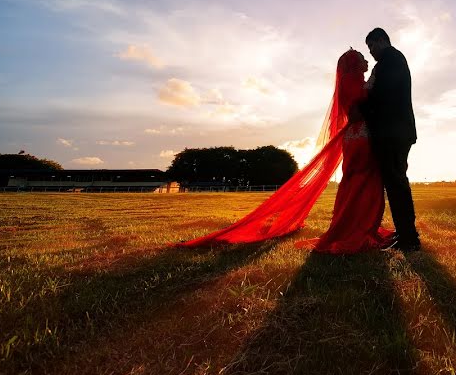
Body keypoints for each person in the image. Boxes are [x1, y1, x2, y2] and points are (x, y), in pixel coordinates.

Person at [176, 49, 393, 253]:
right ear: (354, 64)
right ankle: (358, 230)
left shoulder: (349, 81)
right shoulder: (354, 81)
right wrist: (375, 77)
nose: (366, 61)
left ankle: (356, 226)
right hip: (361, 137)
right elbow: (364, 100)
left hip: (354, 138)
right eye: (362, 59)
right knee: (364, 182)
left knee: (356, 182)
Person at [358, 27, 420, 252]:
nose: (371, 51)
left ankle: (409, 238)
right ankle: (405, 233)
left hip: (393, 132)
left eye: (372, 45)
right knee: (396, 182)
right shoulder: (388, 61)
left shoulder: (392, 59)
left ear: (382, 40)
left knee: (396, 183)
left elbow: (383, 96)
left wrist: (360, 106)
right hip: (396, 131)